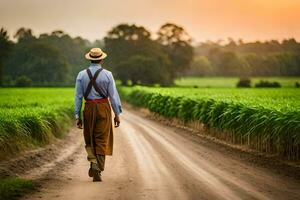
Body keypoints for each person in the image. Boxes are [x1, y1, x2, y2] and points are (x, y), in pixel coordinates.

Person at [74, 47, 122, 182]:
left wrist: (77, 116)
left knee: (89, 139)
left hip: (88, 108)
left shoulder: (81, 74)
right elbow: (113, 96)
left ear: (90, 59)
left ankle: (93, 163)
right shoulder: (108, 74)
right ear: (101, 59)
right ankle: (98, 167)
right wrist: (117, 114)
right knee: (101, 139)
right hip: (103, 108)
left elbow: (78, 97)